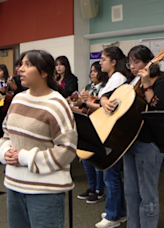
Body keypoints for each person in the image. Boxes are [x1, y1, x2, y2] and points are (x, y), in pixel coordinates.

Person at [0, 50, 78, 228]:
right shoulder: (18, 99)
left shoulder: (57, 104)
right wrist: (5, 152)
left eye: (28, 65)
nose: (20, 69)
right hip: (14, 184)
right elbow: (6, 134)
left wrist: (26, 158)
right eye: (21, 64)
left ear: (44, 73)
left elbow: (67, 150)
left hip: (45, 190)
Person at [120, 45, 164, 228]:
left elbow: (157, 107)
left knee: (147, 194)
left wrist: (147, 82)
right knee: (131, 193)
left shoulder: (159, 81)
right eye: (130, 62)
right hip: (130, 141)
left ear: (149, 62)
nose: (132, 66)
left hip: (149, 143)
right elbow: (111, 95)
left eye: (136, 61)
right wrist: (104, 99)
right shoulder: (132, 81)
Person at [93, 46, 129, 228]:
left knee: (111, 173)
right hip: (112, 130)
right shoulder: (112, 78)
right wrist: (103, 99)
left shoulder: (118, 78)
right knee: (111, 173)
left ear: (113, 62)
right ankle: (119, 212)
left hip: (114, 132)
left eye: (103, 59)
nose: (100, 63)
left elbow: (104, 97)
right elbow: (102, 97)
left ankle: (113, 215)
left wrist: (103, 99)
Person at [76, 62, 108, 204]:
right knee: (86, 159)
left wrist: (86, 101)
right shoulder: (88, 88)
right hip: (87, 124)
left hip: (100, 125)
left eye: (95, 71)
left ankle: (99, 190)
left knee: (96, 159)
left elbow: (102, 108)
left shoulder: (106, 88)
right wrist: (79, 100)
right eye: (91, 71)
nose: (92, 74)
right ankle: (92, 187)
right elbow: (82, 108)